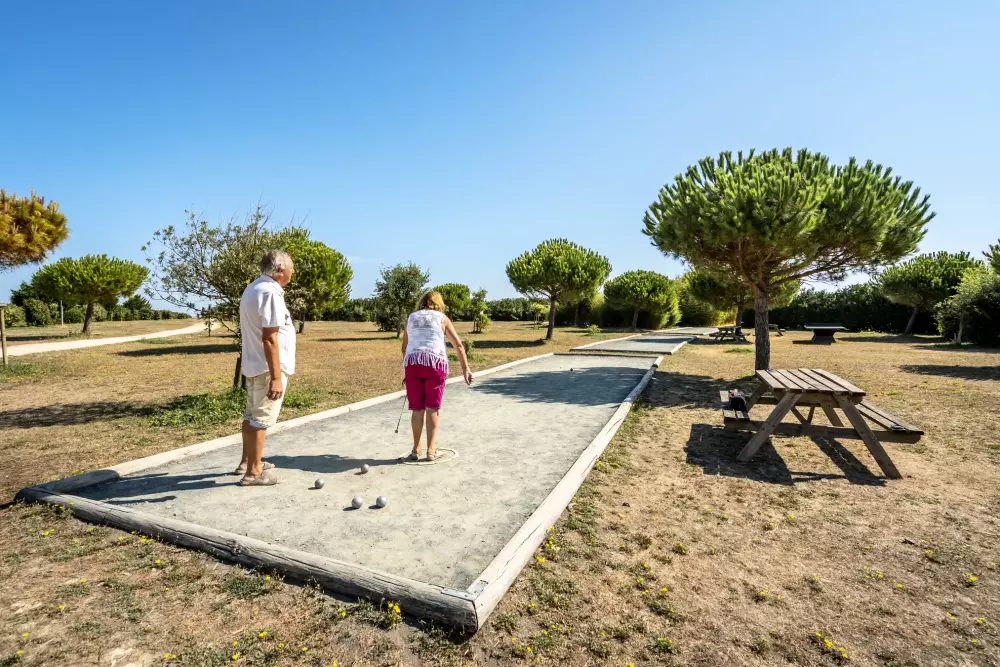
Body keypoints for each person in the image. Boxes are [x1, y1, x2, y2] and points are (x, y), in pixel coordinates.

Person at [235, 250, 296, 486]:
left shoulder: (253, 288)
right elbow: (270, 338)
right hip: (267, 368)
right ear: (280, 271)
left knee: (251, 416)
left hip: (254, 366)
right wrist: (276, 377)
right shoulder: (270, 292)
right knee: (261, 420)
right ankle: (254, 473)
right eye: (291, 268)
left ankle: (248, 461)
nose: (292, 272)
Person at [400, 290, 473, 461]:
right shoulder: (442, 318)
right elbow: (459, 345)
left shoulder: (411, 318)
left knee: (417, 409)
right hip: (435, 363)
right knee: (432, 408)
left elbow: (404, 347)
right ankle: (431, 451)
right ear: (439, 303)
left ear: (422, 303)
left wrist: (407, 371)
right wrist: (465, 369)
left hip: (413, 364)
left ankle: (416, 449)